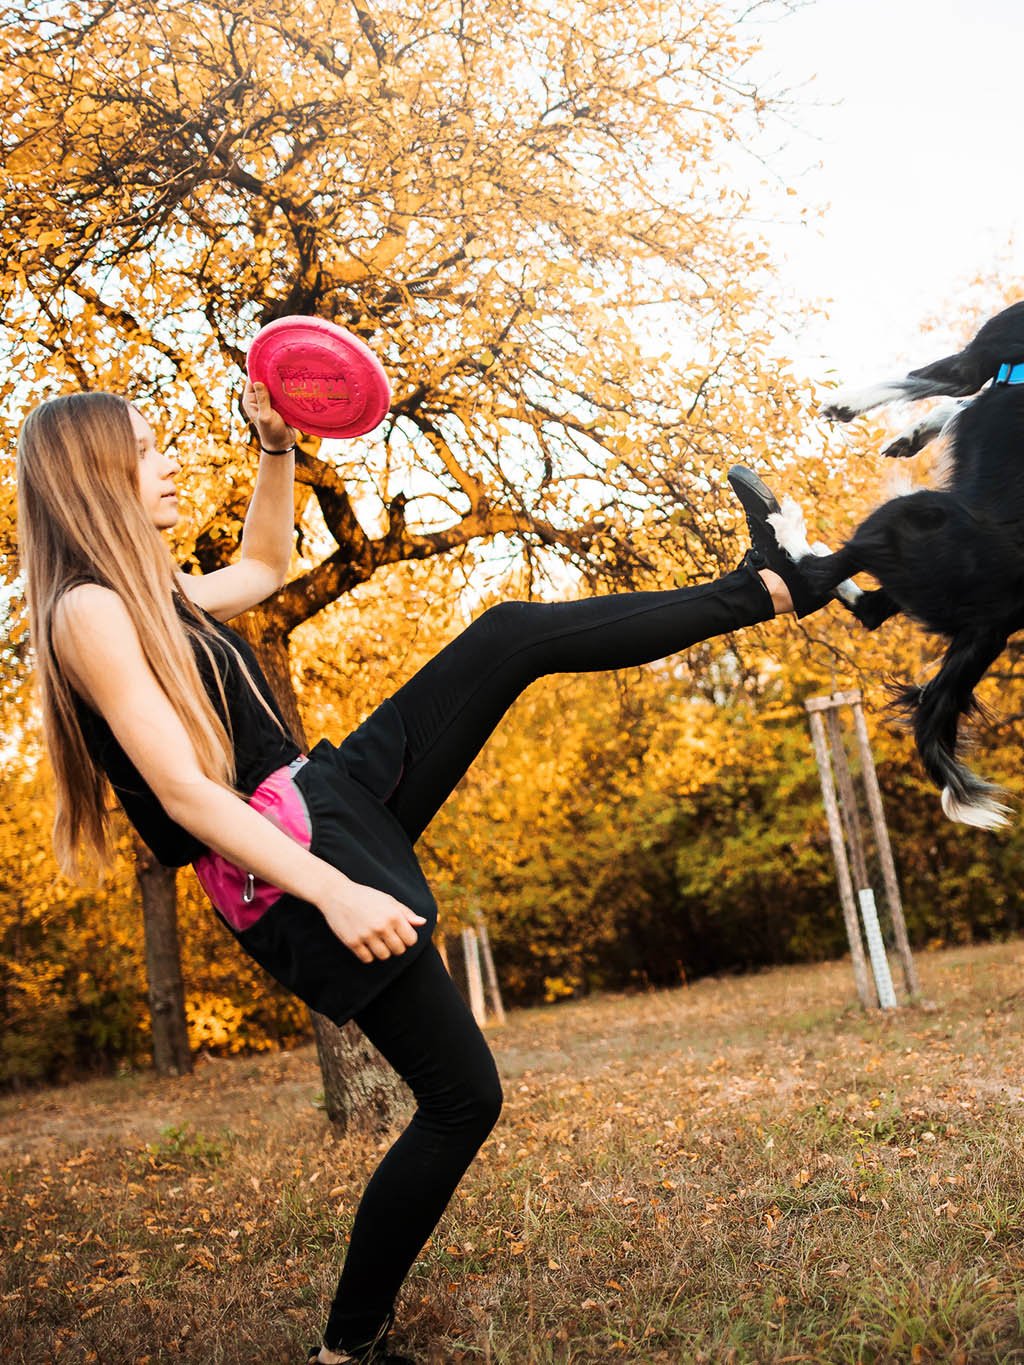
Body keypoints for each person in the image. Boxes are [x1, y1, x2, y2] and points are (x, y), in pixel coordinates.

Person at [16, 384, 830, 1364]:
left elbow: (266, 565)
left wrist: (274, 450)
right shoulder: (88, 614)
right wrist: (332, 889)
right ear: (96, 477)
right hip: (288, 864)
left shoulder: (151, 596)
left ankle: (770, 586)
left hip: (323, 797)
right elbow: (188, 797)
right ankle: (344, 1350)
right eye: (148, 452)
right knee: (462, 1099)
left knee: (508, 635)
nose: (170, 464)